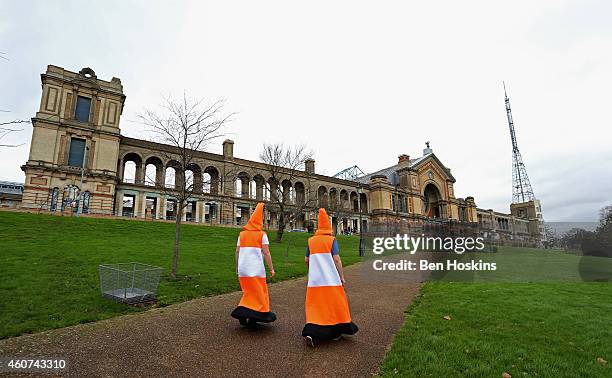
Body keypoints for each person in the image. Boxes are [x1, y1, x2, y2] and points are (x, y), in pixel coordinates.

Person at [302, 208, 358, 347]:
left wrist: (312, 272)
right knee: (335, 304)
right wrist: (342, 277)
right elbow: (337, 259)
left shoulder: (311, 240)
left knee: (315, 305)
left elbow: (306, 260)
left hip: (315, 281)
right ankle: (335, 331)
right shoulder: (331, 240)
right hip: (330, 280)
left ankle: (312, 332)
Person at [231, 202, 277, 328]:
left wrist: (237, 268)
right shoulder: (262, 235)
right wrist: (272, 269)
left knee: (248, 292)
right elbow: (266, 253)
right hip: (256, 270)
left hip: (243, 270)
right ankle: (253, 319)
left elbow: (237, 252)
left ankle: (243, 313)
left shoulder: (242, 234)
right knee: (259, 293)